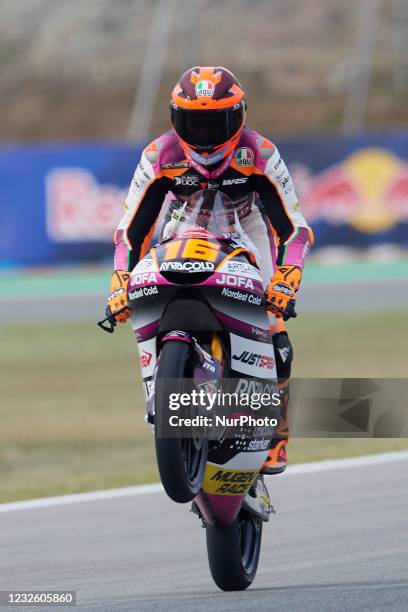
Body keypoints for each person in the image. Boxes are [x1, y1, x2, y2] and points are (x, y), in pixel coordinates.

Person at [107, 66, 313, 474]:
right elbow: (131, 229)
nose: (203, 135)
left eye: (214, 121)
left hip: (246, 228)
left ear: (239, 117)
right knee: (151, 290)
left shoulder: (261, 154)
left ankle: (276, 434)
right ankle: (166, 389)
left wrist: (287, 278)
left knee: (275, 328)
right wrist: (120, 280)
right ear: (174, 118)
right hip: (185, 226)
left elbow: (295, 228)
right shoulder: (158, 155)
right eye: (192, 121)